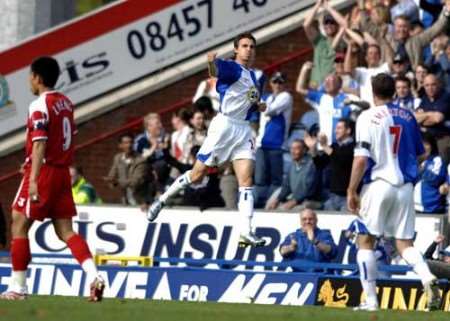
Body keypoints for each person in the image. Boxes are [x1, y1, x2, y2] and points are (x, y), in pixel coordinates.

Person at [147, 33, 266, 247]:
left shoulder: (253, 77)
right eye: (244, 46)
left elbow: (249, 99)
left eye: (252, 46)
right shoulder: (232, 68)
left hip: (244, 129)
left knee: (246, 181)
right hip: (225, 126)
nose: (249, 49)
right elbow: (215, 71)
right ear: (236, 50)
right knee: (196, 174)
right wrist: (211, 63)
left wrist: (260, 104)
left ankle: (246, 231)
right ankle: (162, 200)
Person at [1, 56, 104, 301]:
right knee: (66, 230)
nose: (29, 80)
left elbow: (40, 144)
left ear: (37, 78)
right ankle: (94, 275)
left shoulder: (40, 105)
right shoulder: (66, 103)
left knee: (19, 222)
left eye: (30, 75)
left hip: (45, 171)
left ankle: (18, 287)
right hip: (62, 172)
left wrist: (34, 178)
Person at [347, 73, 441, 311]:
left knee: (366, 241)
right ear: (393, 91)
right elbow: (421, 153)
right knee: (404, 243)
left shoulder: (367, 116)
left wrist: (351, 189)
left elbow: (360, 159)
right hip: (405, 187)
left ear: (373, 90)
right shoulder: (409, 116)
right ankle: (427, 277)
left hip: (378, 183)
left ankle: (370, 301)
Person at [254, 71, 293, 207]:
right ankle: (258, 204)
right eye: (275, 81)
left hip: (277, 145)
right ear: (270, 83)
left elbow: (269, 110)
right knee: (260, 179)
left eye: (280, 82)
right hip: (262, 144)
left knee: (275, 180)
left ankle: (270, 205)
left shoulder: (286, 96)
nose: (277, 85)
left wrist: (256, 103)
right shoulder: (266, 97)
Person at [305, 118, 355, 211]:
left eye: (339, 128)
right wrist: (313, 149)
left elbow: (341, 160)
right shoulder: (334, 146)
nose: (335, 131)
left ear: (348, 130)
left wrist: (324, 146)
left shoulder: (354, 146)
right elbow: (320, 164)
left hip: (347, 198)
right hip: (332, 196)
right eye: (335, 128)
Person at [265, 139, 320, 211]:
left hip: (310, 200)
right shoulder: (292, 165)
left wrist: (294, 201)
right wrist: (278, 199)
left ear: (304, 150)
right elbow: (286, 186)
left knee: (285, 209)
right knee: (271, 203)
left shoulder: (311, 165)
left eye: (296, 148)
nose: (293, 151)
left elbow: (308, 190)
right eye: (291, 148)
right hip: (296, 198)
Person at [105, 133, 155, 208]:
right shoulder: (118, 158)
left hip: (142, 202)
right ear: (120, 145)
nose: (129, 145)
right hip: (125, 200)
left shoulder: (141, 160)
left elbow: (136, 182)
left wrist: (117, 181)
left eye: (131, 142)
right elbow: (112, 176)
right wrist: (111, 182)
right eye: (126, 143)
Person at [415, 74, 450, 163]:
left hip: (443, 137)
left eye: (433, 84)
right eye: (427, 85)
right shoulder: (424, 99)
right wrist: (430, 114)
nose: (430, 88)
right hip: (427, 137)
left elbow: (437, 119)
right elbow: (415, 118)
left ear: (438, 84)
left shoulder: (445, 97)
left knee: (442, 160)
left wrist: (424, 116)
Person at [414, 133, 447, 213]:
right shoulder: (413, 162)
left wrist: (422, 169)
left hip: (431, 209)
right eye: (421, 144)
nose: (424, 147)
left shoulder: (437, 160)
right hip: (414, 208)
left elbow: (434, 179)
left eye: (426, 144)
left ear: (432, 146)